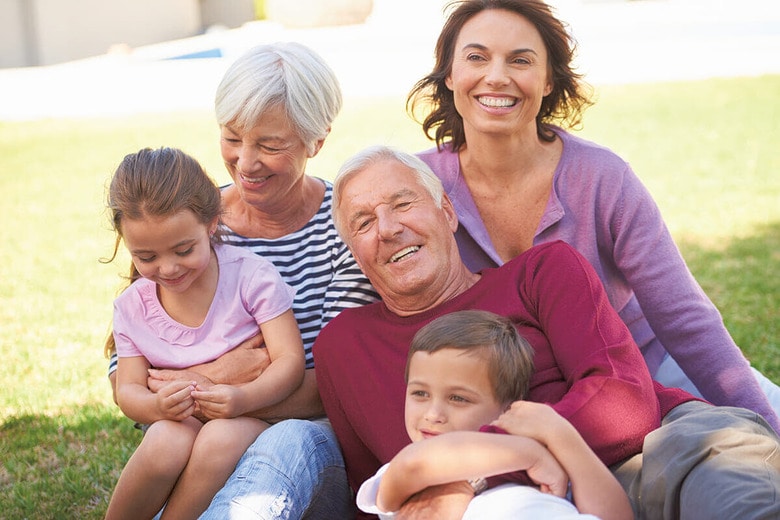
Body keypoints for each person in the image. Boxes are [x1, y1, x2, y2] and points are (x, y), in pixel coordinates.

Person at [314, 145, 780, 519]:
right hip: (505, 509)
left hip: (651, 453)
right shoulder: (343, 347)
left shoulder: (542, 272)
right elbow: (368, 491)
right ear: (353, 249)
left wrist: (474, 467)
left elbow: (624, 403)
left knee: (728, 488)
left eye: (403, 204)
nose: (389, 228)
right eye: (364, 222)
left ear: (447, 213)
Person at [407, 0, 780, 431]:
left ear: (548, 81)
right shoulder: (419, 187)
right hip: (517, 398)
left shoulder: (602, 177)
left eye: (520, 60)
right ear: (449, 74)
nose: (496, 75)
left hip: (644, 366)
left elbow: (682, 315)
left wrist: (763, 423)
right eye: (476, 57)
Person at [105, 42, 377, 519]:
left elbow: (335, 384)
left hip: (301, 438)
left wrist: (206, 384)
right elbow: (134, 353)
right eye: (232, 138)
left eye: (270, 145)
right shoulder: (187, 218)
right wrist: (206, 388)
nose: (245, 162)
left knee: (280, 442)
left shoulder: (347, 230)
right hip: (188, 434)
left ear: (317, 140)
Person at [102, 147, 306, 519]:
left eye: (183, 250)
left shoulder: (251, 277)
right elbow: (127, 389)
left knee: (219, 438)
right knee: (166, 439)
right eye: (146, 257)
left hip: (249, 415)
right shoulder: (132, 307)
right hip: (178, 422)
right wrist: (155, 407)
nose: (168, 268)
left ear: (211, 223)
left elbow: (289, 360)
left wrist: (243, 398)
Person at [356, 310, 632, 520]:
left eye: (458, 398)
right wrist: (530, 452)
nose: (433, 414)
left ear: (507, 408)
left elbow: (615, 515)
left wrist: (561, 434)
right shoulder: (408, 478)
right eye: (419, 394)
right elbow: (413, 465)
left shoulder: (551, 468)